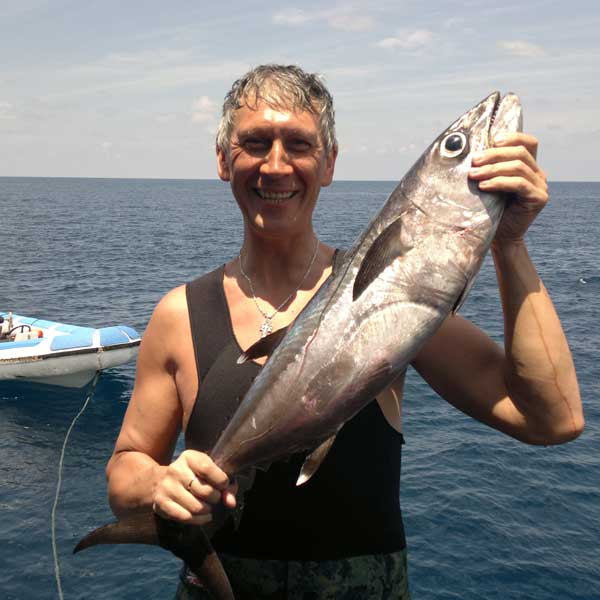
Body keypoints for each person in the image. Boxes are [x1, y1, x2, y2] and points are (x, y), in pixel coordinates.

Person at [105, 65, 584, 599]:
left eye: (299, 145)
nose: (276, 165)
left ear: (329, 162)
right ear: (223, 159)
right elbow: (125, 474)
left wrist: (509, 244)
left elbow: (553, 419)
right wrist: (159, 483)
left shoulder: (399, 297)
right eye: (255, 143)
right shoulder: (180, 314)